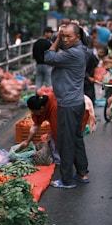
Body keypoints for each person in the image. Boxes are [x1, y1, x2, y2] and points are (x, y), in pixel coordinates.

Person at [44, 21, 92, 189]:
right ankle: (82, 172)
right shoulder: (80, 49)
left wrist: (56, 37)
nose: (64, 39)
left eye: (68, 36)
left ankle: (66, 180)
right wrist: (64, 33)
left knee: (65, 141)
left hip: (68, 104)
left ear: (78, 37)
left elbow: (48, 57)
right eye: (63, 36)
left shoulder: (73, 54)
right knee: (76, 139)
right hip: (76, 102)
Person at [18, 93, 60, 163]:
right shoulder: (43, 104)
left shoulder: (54, 109)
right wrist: (27, 141)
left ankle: (60, 163)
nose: (33, 113)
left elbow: (57, 131)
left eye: (34, 111)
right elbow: (36, 126)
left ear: (42, 108)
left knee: (59, 140)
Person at [33, 27, 54, 91]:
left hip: (38, 65)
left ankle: (37, 96)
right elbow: (51, 54)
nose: (51, 35)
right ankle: (48, 97)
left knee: (38, 82)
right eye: (50, 33)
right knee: (49, 83)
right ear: (46, 33)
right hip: (47, 65)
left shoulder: (36, 43)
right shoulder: (48, 43)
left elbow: (34, 54)